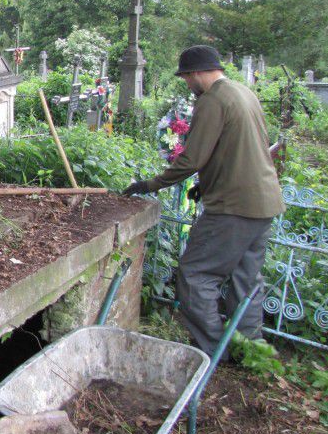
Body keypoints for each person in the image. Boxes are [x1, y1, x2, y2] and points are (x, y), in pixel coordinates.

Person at [122, 45, 285, 355]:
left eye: (186, 78)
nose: (187, 84)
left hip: (234, 206)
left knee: (195, 275)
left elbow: (192, 159)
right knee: (246, 281)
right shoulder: (243, 93)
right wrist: (207, 184)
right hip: (264, 202)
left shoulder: (212, 100)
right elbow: (243, 147)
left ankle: (211, 350)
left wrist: (150, 184)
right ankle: (250, 349)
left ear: (196, 73)